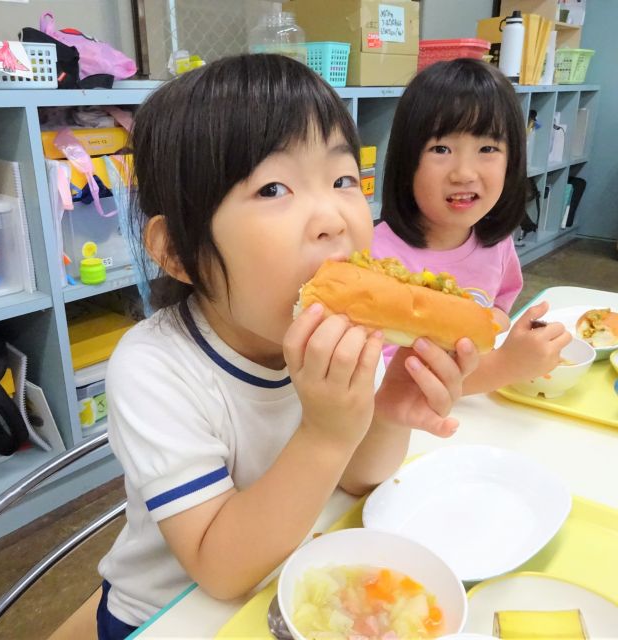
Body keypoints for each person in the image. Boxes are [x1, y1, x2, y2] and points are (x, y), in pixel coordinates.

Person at [96, 54, 479, 639]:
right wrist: (325, 433)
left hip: (289, 586)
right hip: (167, 616)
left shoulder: (339, 336)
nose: (331, 217)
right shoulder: (154, 368)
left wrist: (386, 413)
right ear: (177, 250)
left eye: (343, 179)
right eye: (273, 187)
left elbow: (359, 479)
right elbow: (219, 570)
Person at [373, 58, 571, 393]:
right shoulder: (378, 259)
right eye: (441, 148)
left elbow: (498, 306)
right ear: (407, 161)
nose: (464, 172)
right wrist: (508, 365)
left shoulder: (496, 244)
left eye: (487, 148)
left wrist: (498, 326)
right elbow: (394, 385)